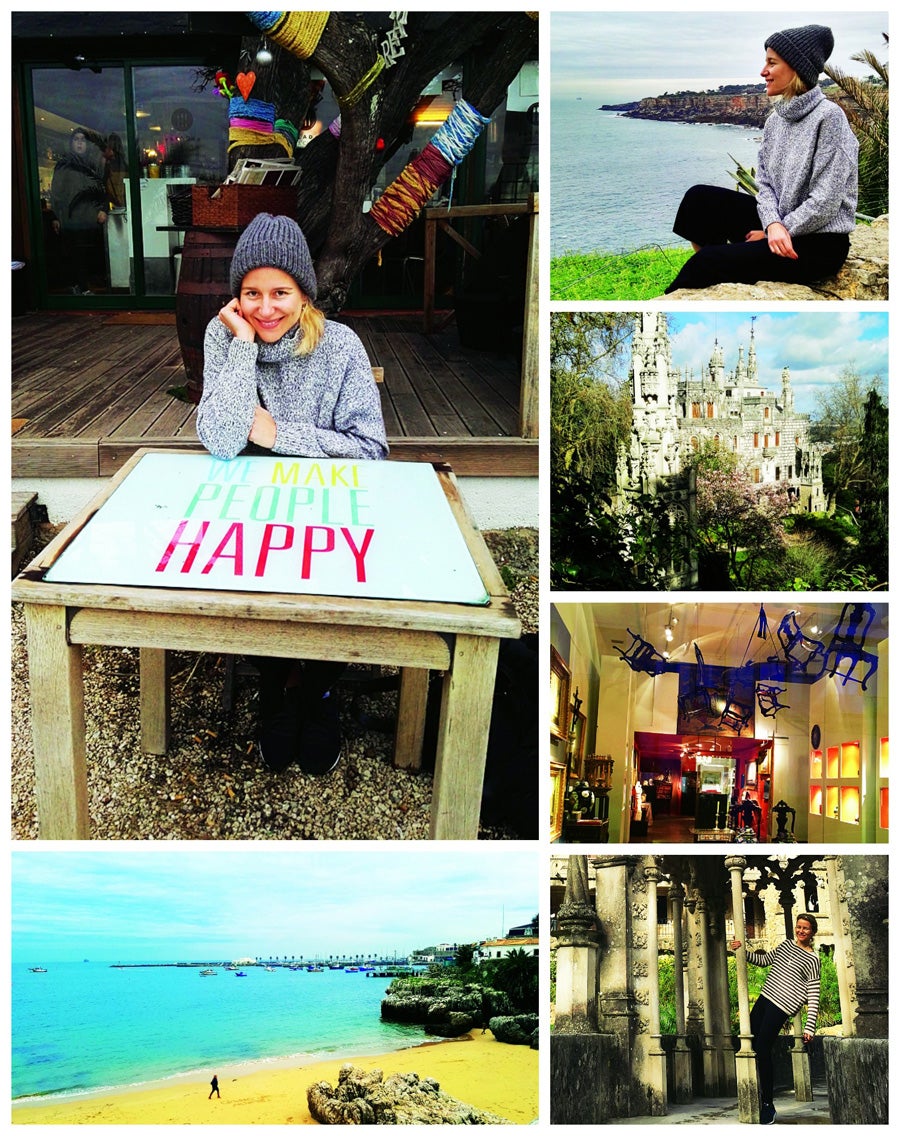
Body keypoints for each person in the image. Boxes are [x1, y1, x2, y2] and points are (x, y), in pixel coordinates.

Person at [196, 212, 388, 775]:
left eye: (281, 291)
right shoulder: (224, 335)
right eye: (251, 293)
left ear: (304, 293)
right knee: (252, 579)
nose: (266, 306)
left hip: (331, 506)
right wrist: (240, 346)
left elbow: (371, 448)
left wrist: (279, 435)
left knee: (338, 581)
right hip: (252, 504)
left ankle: (321, 688)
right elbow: (221, 439)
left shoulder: (341, 346)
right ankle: (277, 687)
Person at [665, 25, 858, 294]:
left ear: (796, 67)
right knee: (698, 201)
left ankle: (726, 264)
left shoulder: (829, 118)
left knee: (706, 263)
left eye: (771, 62)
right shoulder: (775, 120)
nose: (763, 71)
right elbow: (764, 183)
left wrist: (774, 232)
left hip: (818, 242)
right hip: (779, 223)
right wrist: (772, 224)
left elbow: (826, 202)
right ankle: (739, 262)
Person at [728, 913, 821, 1125]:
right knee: (745, 1040)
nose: (801, 931)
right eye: (799, 927)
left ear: (812, 932)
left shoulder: (813, 959)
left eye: (805, 928)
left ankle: (768, 1104)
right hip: (765, 998)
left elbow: (813, 992)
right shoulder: (786, 945)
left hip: (782, 1006)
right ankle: (754, 1091)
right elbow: (763, 961)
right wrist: (742, 949)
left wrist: (809, 1026)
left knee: (762, 1049)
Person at [49, 127, 109, 294]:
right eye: (76, 139)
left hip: (92, 219)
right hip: (72, 219)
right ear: (71, 143)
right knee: (76, 255)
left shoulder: (91, 164)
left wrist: (103, 209)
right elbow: (56, 193)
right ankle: (81, 288)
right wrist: (55, 216)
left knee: (91, 256)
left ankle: (85, 287)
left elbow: (101, 189)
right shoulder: (64, 165)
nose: (80, 143)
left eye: (83, 140)